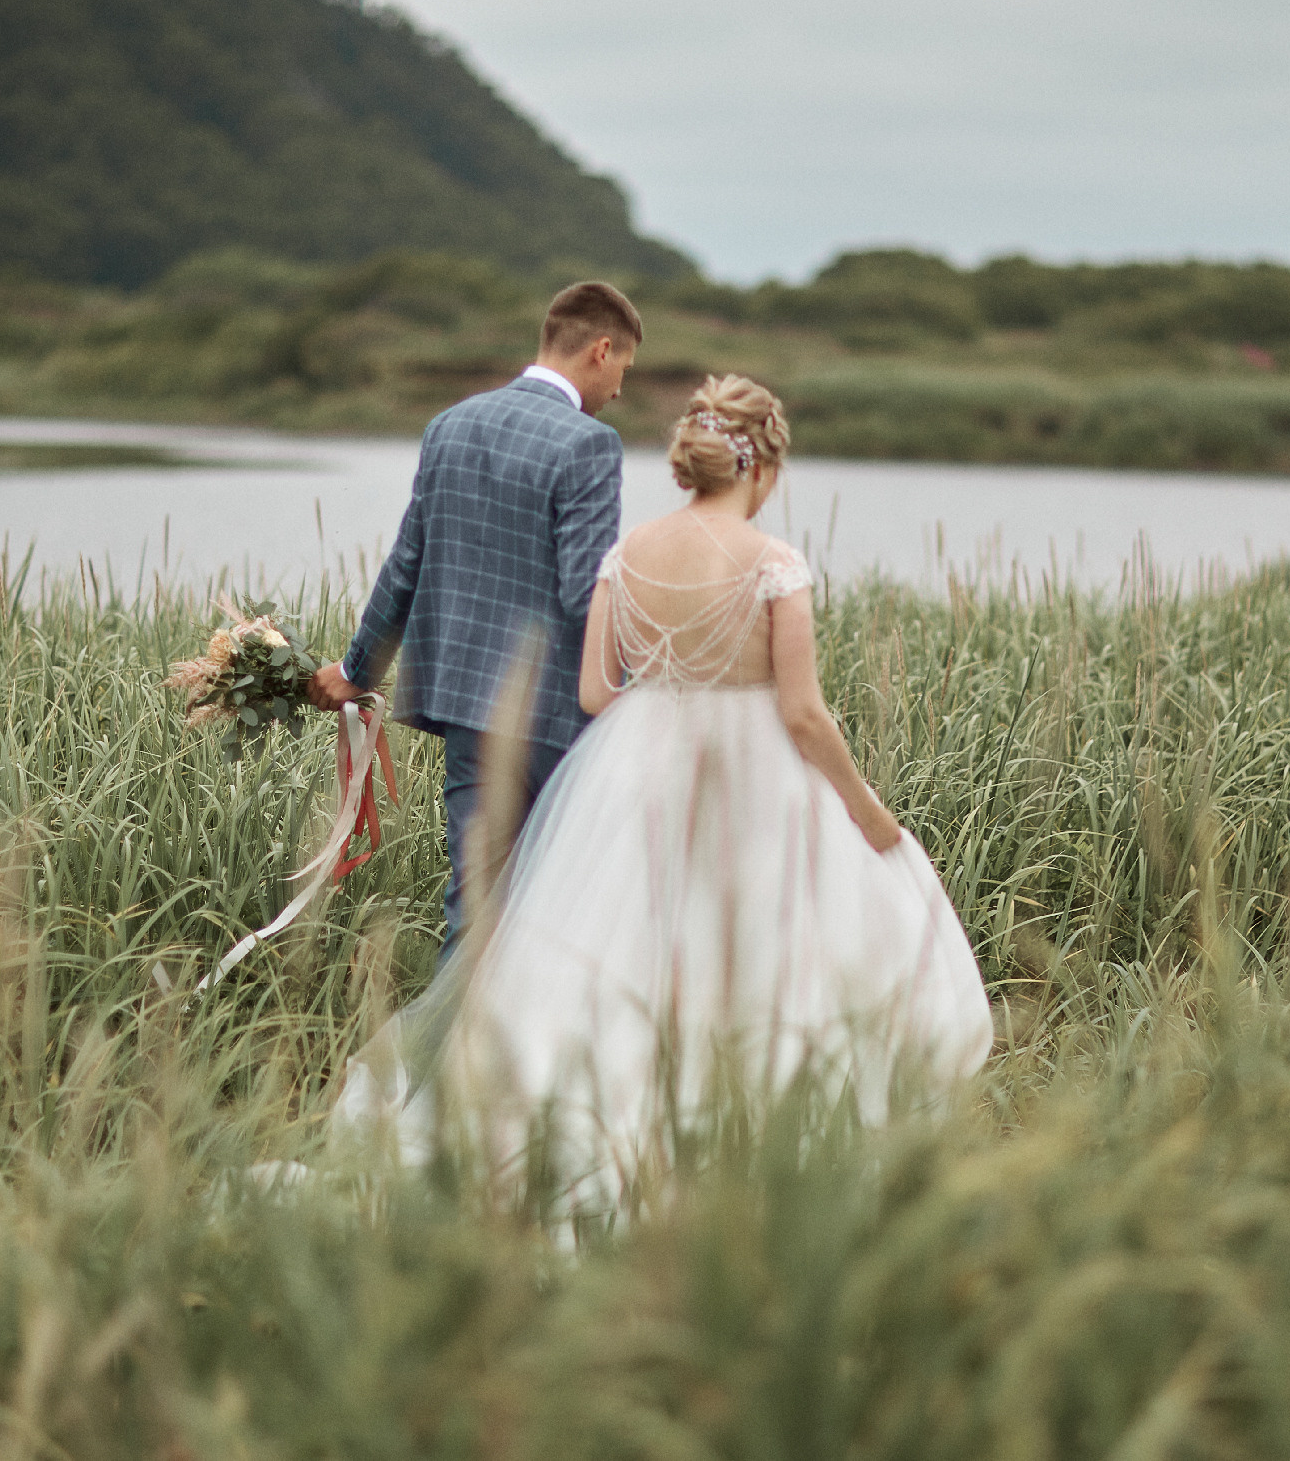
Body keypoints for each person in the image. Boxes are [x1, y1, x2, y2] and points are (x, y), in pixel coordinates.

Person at [337, 375, 993, 1206]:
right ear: (763, 466)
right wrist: (867, 808)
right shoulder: (776, 564)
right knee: (760, 945)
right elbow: (803, 713)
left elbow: (594, 696)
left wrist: (665, 711)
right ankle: (750, 1127)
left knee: (641, 946)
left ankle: (602, 1118)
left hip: (638, 769)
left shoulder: (629, 553)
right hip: (756, 778)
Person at [308, 280, 639, 957]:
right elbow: (587, 594)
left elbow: (407, 563)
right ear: (601, 351)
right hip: (558, 717)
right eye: (624, 370)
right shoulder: (590, 445)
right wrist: (642, 686)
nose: (621, 390)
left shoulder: (450, 424)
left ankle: (453, 1061)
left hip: (467, 707)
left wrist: (354, 669)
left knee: (476, 906)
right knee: (569, 911)